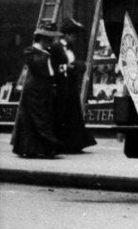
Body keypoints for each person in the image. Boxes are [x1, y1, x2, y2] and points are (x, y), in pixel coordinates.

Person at [10, 20, 64, 158]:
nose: (50, 42)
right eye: (48, 39)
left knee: (41, 117)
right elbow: (38, 66)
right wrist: (46, 54)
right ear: (42, 39)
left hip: (44, 88)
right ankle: (43, 146)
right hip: (35, 89)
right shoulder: (32, 51)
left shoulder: (45, 52)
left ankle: (38, 147)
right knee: (37, 117)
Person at [55, 17, 97, 153]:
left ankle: (74, 143)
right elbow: (57, 67)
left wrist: (77, 66)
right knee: (65, 114)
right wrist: (70, 67)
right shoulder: (57, 48)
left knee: (73, 114)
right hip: (63, 86)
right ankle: (64, 144)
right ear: (67, 34)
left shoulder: (70, 48)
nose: (75, 38)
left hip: (71, 86)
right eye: (73, 35)